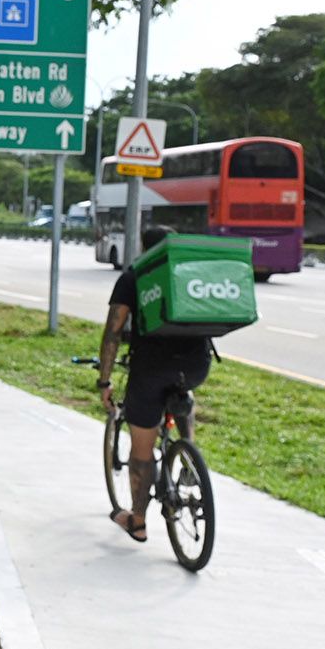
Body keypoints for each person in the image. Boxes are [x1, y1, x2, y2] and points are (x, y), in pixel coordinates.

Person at [98, 225, 212, 542]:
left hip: (151, 369)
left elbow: (113, 332)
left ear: (143, 247)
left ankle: (137, 521)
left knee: (142, 448)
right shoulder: (187, 273)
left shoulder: (134, 277)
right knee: (183, 388)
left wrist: (104, 380)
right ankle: (188, 453)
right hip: (197, 364)